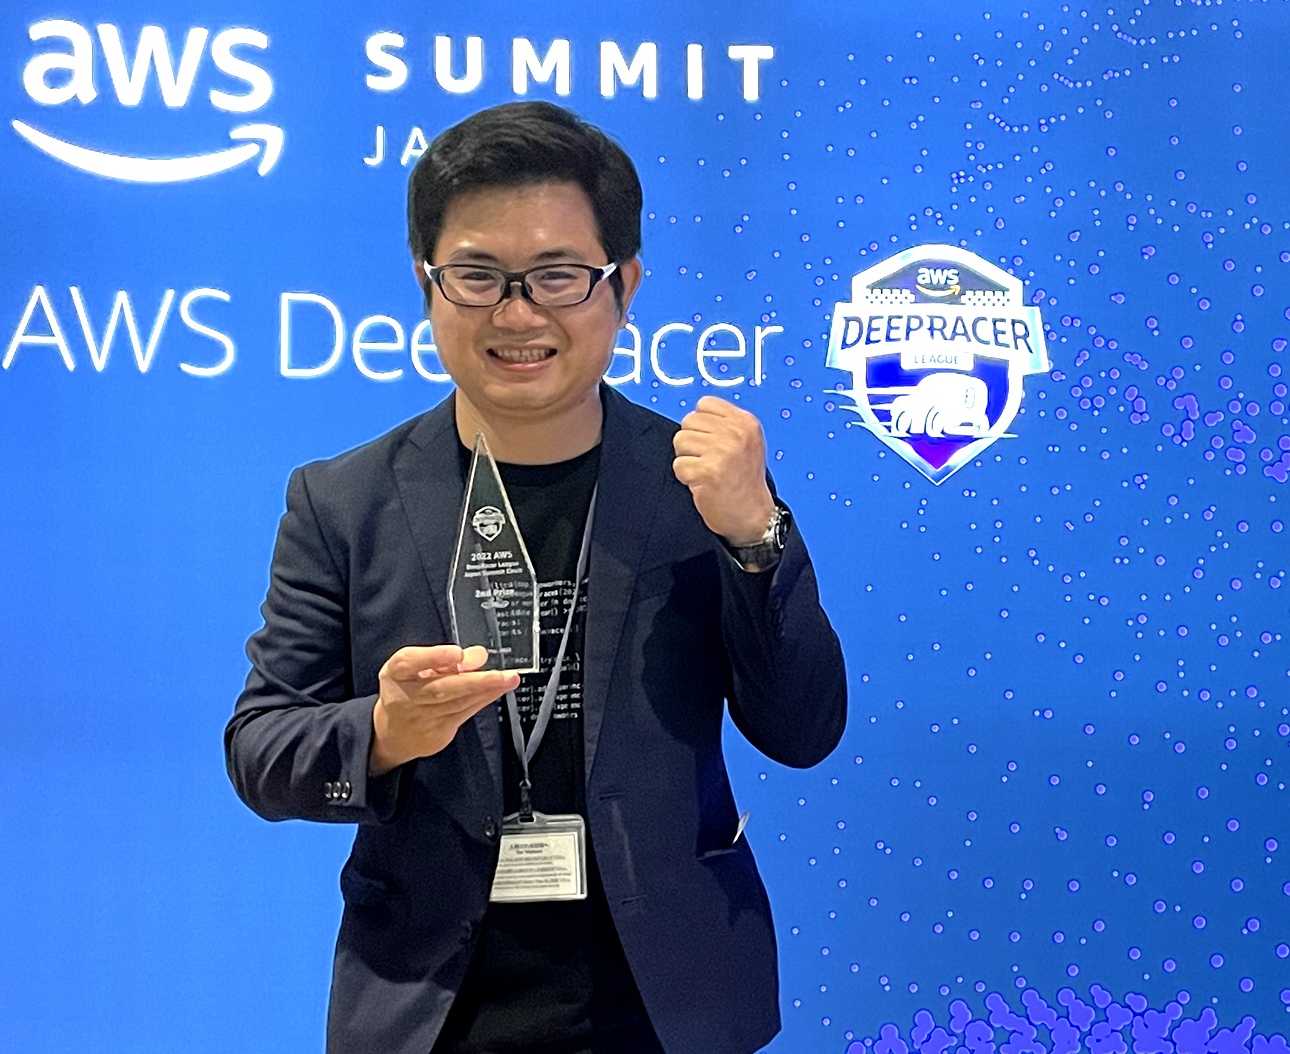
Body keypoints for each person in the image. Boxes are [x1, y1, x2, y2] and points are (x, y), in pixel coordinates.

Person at [225, 101, 847, 1054]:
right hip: (430, 1009)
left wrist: (755, 534)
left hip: (667, 1006)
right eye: (478, 276)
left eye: (558, 276)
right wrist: (384, 733)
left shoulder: (698, 483)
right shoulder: (344, 501)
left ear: (622, 284)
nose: (517, 314)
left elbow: (802, 731)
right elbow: (262, 752)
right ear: (427, 283)